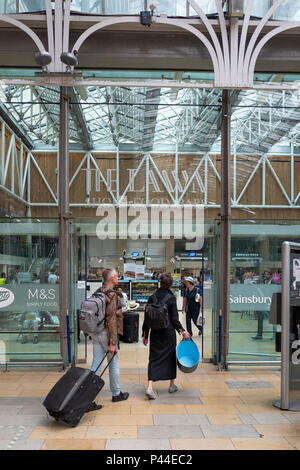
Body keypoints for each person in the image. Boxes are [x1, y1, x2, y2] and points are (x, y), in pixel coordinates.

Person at [142, 272, 190, 400]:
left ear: (160, 282)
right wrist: (183, 331)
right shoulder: (171, 298)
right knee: (170, 358)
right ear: (170, 284)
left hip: (155, 333)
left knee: (154, 358)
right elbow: (175, 319)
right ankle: (171, 385)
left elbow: (147, 318)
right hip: (168, 333)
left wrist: (145, 334)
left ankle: (150, 387)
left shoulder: (152, 297)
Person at [88, 268, 129, 412]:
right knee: (113, 364)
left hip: (96, 333)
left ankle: (87, 397)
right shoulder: (112, 295)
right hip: (107, 335)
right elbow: (111, 320)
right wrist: (113, 342)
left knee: (96, 365)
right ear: (112, 279)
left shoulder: (98, 292)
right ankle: (116, 393)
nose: (118, 278)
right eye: (117, 276)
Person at [252, 270, 276, 341]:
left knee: (273, 319)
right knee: (260, 317)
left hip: (271, 303)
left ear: (271, 275)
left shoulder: (274, 283)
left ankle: (275, 335)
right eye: (265, 274)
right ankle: (259, 335)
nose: (266, 276)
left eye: (267, 274)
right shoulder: (263, 283)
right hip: (263, 303)